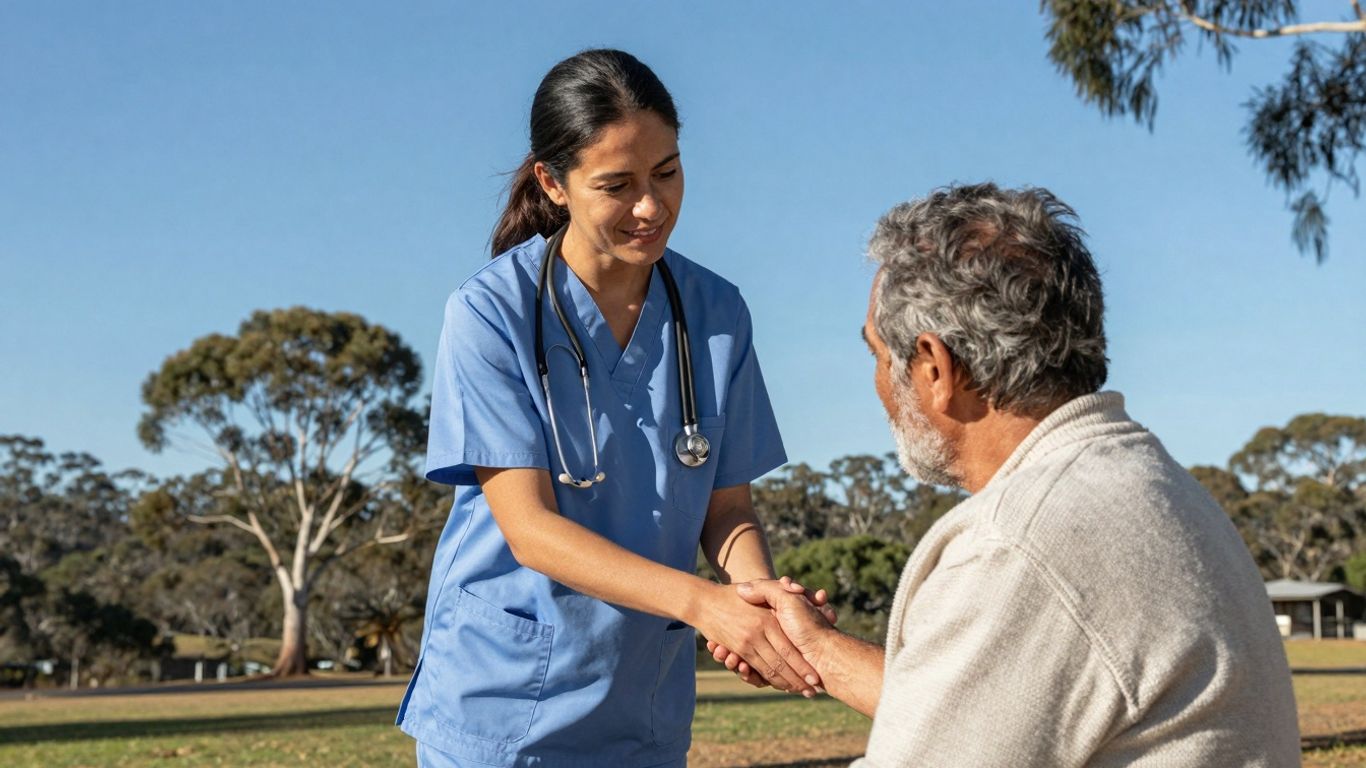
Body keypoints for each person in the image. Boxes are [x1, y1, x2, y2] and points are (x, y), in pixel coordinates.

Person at [723, 183, 1301, 766]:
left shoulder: (1022, 543)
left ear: (934, 368)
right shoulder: (1149, 487)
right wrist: (818, 649)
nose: (877, 385)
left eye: (877, 354)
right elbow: (981, 711)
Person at [395, 49, 829, 767]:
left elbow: (728, 511)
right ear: (553, 183)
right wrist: (702, 604)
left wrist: (756, 603)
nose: (651, 207)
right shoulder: (489, 314)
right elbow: (531, 531)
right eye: (617, 185)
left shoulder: (716, 311)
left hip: (641, 714)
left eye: (667, 171)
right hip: (502, 710)